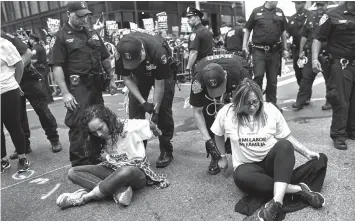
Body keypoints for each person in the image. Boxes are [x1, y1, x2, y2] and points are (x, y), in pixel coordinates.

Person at [211, 79, 325, 221]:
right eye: (247, 104)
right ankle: (297, 190)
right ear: (237, 102)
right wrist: (222, 156)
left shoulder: (270, 109)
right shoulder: (227, 112)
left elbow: (287, 136)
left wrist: (306, 152)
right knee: (240, 176)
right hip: (248, 167)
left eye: (256, 102)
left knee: (284, 145)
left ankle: (275, 203)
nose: (253, 107)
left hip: (271, 163)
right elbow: (218, 134)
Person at [56, 105, 169, 209]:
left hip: (136, 172)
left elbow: (149, 124)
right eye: (94, 132)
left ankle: (85, 197)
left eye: (100, 128)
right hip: (113, 169)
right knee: (73, 172)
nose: (99, 134)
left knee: (126, 170)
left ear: (108, 121)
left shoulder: (129, 126)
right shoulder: (96, 137)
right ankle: (118, 191)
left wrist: (156, 131)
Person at [49, 1, 117, 166]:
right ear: (68, 14)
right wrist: (65, 93)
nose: (84, 18)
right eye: (79, 16)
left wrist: (112, 79)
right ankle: (80, 164)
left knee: (98, 120)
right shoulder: (60, 37)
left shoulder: (92, 33)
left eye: (86, 15)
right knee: (79, 124)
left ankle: (96, 156)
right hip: (76, 88)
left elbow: (105, 57)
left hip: (95, 86)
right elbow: (56, 67)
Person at [115, 29, 176, 168]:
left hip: (161, 74)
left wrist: (155, 110)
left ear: (142, 52)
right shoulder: (120, 50)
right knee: (135, 112)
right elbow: (127, 78)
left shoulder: (158, 52)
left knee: (164, 112)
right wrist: (143, 103)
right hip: (139, 76)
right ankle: (138, 152)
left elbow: (160, 84)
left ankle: (166, 150)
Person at [1, 30, 63, 158]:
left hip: (27, 79)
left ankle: (54, 139)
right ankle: (24, 146)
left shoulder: (5, 36)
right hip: (11, 85)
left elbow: (27, 53)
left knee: (42, 110)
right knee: (18, 116)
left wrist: (14, 73)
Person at [189, 54, 250, 175]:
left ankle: (239, 148)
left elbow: (250, 107)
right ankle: (215, 155)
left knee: (242, 111)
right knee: (208, 114)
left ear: (226, 76)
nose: (217, 94)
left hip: (234, 75)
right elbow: (197, 112)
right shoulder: (198, 79)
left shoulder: (240, 72)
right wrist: (208, 141)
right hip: (206, 73)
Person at [312, 1, 355, 150]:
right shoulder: (332, 14)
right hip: (340, 64)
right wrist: (314, 59)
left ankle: (352, 130)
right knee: (341, 100)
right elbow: (318, 38)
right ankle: (338, 135)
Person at [242, 1, 289, 112]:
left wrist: (285, 48)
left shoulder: (280, 12)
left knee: (272, 80)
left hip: (274, 51)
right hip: (259, 50)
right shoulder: (256, 11)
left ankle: (272, 104)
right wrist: (244, 45)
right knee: (258, 76)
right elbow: (248, 29)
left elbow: (283, 32)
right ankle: (256, 103)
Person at [293, 1, 331, 111]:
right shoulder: (310, 18)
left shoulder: (331, 17)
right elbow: (304, 36)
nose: (319, 7)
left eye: (322, 5)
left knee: (329, 79)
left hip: (326, 53)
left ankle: (330, 101)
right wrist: (301, 51)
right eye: (318, 5)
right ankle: (300, 101)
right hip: (311, 53)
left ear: (326, 5)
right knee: (306, 79)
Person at [1, 37, 30, 173]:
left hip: (8, 90)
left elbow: (19, 65)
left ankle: (22, 158)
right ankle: (3, 160)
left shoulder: (5, 44)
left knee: (14, 125)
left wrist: (16, 83)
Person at [287, 1, 313, 88]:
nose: (296, 6)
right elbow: (288, 33)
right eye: (295, 3)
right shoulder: (292, 18)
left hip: (309, 49)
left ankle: (305, 96)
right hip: (296, 50)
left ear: (304, 3)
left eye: (299, 3)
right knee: (298, 73)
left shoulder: (311, 15)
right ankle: (303, 91)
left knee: (307, 74)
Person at [185, 7, 213, 78]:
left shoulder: (195, 33)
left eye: (190, 17)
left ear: (197, 18)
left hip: (199, 66)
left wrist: (188, 69)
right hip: (210, 64)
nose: (188, 20)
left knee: (197, 88)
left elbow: (194, 52)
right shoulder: (207, 31)